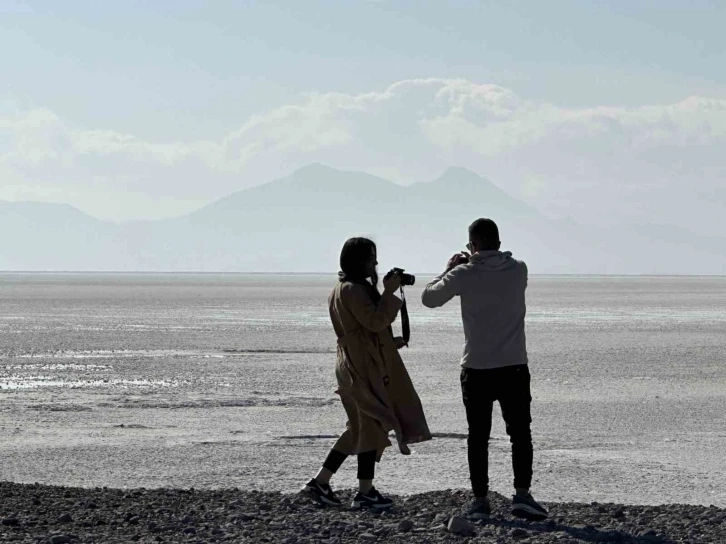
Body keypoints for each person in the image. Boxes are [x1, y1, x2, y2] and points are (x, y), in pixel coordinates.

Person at [421, 218, 548, 521]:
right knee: (520, 434)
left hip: (477, 367)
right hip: (514, 366)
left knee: (478, 437)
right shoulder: (519, 269)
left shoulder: (465, 273)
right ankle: (522, 495)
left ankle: (480, 500)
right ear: (499, 243)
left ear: (472, 245)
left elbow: (428, 298)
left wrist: (449, 269)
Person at [303, 237, 432, 509]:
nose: (376, 263)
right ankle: (364, 492)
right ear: (359, 260)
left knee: (361, 426)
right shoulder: (352, 289)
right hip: (360, 367)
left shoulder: (344, 288)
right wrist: (390, 291)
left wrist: (387, 340)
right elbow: (374, 321)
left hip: (356, 363)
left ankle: (321, 482)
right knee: (371, 423)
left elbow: (363, 328)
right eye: (372, 257)